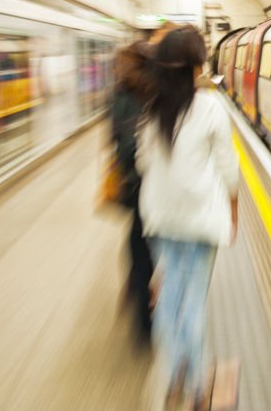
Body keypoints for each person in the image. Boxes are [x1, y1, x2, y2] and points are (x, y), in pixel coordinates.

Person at [138, 26, 239, 410]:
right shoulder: (210, 107)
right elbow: (228, 167)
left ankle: (172, 375)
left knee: (168, 300)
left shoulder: (151, 110)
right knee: (193, 302)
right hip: (198, 221)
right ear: (196, 66)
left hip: (160, 220)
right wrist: (232, 210)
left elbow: (143, 163)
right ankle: (198, 387)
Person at [111, 41, 155, 340]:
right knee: (148, 251)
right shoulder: (147, 95)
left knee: (138, 247)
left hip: (132, 185)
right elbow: (130, 145)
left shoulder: (119, 94)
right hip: (147, 184)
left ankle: (141, 311)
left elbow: (116, 138)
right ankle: (146, 321)